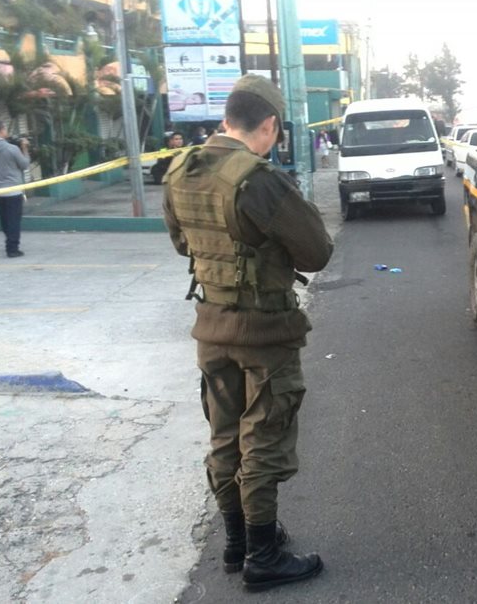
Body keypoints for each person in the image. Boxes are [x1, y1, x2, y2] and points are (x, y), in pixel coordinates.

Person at [163, 74, 333, 592]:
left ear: (225, 119)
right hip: (265, 333)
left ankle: (236, 541)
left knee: (224, 436)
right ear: (270, 126)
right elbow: (317, 252)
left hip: (211, 328)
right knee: (262, 439)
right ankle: (263, 555)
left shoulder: (180, 169)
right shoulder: (257, 179)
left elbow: (180, 244)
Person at [0, 121, 31, 257]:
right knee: (14, 219)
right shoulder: (12, 149)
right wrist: (25, 149)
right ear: (2, 130)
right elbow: (24, 164)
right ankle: (12, 248)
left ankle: (9, 241)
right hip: (13, 190)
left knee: (4, 219)